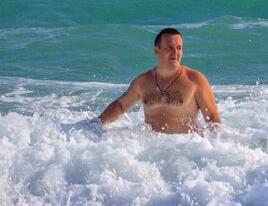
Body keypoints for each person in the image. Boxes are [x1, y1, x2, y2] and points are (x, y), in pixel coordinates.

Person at [83, 28, 221, 134]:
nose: (175, 52)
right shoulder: (143, 81)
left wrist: (215, 147)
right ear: (156, 50)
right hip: (153, 150)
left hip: (184, 148)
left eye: (179, 48)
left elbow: (213, 118)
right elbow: (121, 106)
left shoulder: (195, 80)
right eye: (169, 48)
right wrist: (96, 123)